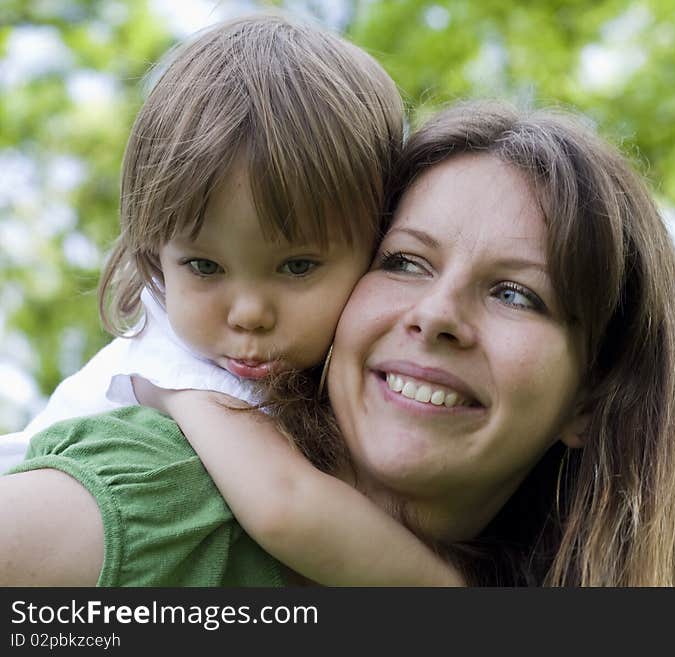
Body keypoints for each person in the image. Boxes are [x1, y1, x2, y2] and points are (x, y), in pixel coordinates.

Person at [0, 101, 675, 586]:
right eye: (405, 261)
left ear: (591, 395)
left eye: (515, 292)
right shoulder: (165, 497)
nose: (436, 314)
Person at [0, 14, 464, 586]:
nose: (248, 313)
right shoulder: (175, 361)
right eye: (204, 267)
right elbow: (284, 507)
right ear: (155, 259)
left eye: (297, 266)